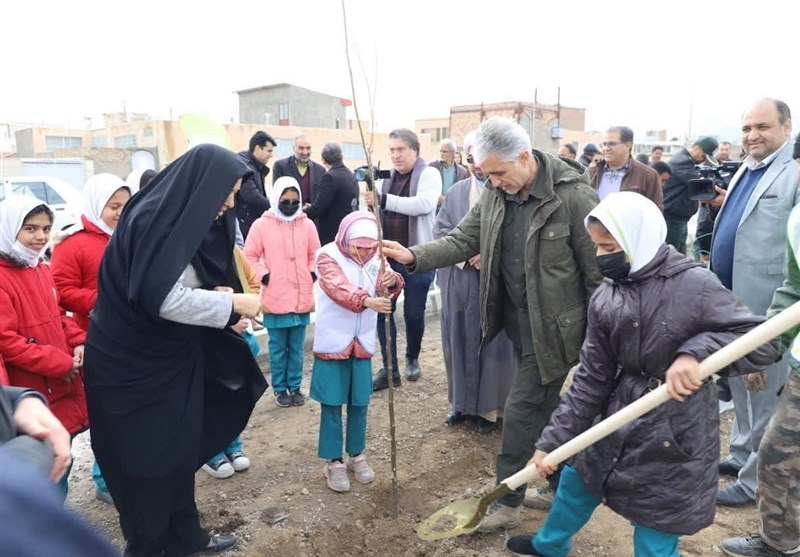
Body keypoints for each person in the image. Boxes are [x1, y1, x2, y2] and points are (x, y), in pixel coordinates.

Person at [505, 191, 779, 557]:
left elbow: (761, 343)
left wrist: (694, 354)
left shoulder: (695, 285)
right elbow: (591, 377)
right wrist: (552, 441)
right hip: (619, 409)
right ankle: (549, 546)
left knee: (657, 522)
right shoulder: (607, 296)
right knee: (578, 480)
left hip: (675, 423)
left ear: (640, 239)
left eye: (609, 246)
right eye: (597, 247)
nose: (601, 257)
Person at [379, 117, 602, 530]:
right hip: (518, 324)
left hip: (556, 331)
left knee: (520, 411)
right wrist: (413, 257)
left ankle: (506, 501)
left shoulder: (573, 199)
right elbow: (463, 239)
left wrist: (602, 338)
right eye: (486, 175)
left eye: (499, 172)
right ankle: (565, 487)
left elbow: (598, 272)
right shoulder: (497, 195)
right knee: (548, 408)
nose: (494, 182)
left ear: (524, 156)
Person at [84, 144, 267, 556]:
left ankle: (187, 538)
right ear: (200, 186)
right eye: (226, 193)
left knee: (178, 452)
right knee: (148, 466)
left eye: (235, 194)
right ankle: (150, 547)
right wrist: (233, 303)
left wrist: (213, 294)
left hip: (168, 360)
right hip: (129, 370)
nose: (229, 204)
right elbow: (162, 298)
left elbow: (178, 284)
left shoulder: (185, 217)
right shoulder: (155, 222)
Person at [710, 98, 798, 507]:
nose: (752, 136)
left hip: (770, 306)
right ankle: (741, 453)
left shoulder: (793, 173)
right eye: (746, 128)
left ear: (786, 126)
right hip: (731, 301)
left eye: (762, 127)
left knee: (762, 390)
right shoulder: (748, 166)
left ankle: (752, 482)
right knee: (738, 383)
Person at [720, 196, 800, 557]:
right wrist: (764, 353)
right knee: (778, 454)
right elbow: (793, 289)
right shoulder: (798, 219)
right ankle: (781, 541)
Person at [50, 173, 132, 504]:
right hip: (97, 337)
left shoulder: (131, 236)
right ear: (98, 204)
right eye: (114, 206)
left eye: (126, 205)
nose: (120, 212)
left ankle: (118, 473)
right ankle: (103, 479)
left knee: (126, 411)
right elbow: (61, 292)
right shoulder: (75, 244)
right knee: (104, 410)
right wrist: (104, 299)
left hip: (133, 338)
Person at [0, 196, 88, 499]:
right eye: (30, 228)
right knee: (43, 467)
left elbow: (58, 316)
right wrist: (59, 362)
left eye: (46, 229)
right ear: (9, 228)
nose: (40, 237)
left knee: (61, 457)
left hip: (58, 384)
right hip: (34, 388)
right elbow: (7, 342)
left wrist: (77, 341)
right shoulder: (2, 276)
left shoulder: (40, 268)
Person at [310, 211, 403, 492]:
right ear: (345, 238)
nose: (364, 251)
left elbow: (388, 287)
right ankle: (333, 460)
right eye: (358, 245)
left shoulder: (377, 257)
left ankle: (356, 453)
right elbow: (337, 287)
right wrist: (368, 302)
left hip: (362, 342)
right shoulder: (327, 255)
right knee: (332, 402)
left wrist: (393, 283)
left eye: (368, 245)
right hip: (333, 342)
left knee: (360, 401)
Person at [434, 132, 515, 434]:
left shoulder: (508, 190)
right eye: (470, 159)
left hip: (496, 284)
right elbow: (441, 230)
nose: (476, 166)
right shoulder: (456, 192)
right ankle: (462, 405)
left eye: (480, 160)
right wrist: (468, 255)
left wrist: (491, 254)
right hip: (460, 282)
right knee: (458, 340)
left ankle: (491, 410)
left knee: (495, 343)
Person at [369, 128, 441, 390]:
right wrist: (370, 201)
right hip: (387, 259)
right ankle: (390, 368)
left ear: (415, 150)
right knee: (383, 312)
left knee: (413, 313)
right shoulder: (384, 179)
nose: (395, 155)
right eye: (392, 150)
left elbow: (424, 204)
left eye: (401, 149)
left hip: (417, 257)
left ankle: (412, 357)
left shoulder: (428, 173)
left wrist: (384, 200)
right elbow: (370, 207)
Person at [244, 176, 320, 408]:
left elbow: (315, 254)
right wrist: (265, 275)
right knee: (277, 349)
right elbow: (249, 256)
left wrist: (311, 273)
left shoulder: (307, 225)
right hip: (275, 297)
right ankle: (279, 388)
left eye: (294, 201)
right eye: (285, 201)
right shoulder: (261, 225)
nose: (289, 205)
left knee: (297, 349)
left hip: (300, 297)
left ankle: (295, 386)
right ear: (276, 199)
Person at [200, 247, 262, 480]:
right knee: (209, 397)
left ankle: (233, 445)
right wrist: (227, 319)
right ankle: (211, 452)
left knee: (234, 393)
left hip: (236, 336)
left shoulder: (233, 251)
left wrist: (243, 313)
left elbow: (252, 283)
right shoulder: (187, 249)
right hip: (207, 338)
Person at [662, 136, 718, 254]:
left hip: (680, 219)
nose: (704, 161)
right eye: (704, 156)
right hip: (672, 219)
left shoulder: (689, 162)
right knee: (673, 256)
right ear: (696, 148)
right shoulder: (681, 161)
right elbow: (699, 184)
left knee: (679, 254)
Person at [588, 126, 663, 210]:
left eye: (612, 144)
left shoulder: (648, 176)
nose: (606, 148)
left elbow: (655, 213)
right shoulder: (592, 172)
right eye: (604, 144)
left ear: (628, 145)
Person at [304, 142, 359, 245]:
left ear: (323, 160)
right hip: (349, 231)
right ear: (342, 157)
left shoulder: (329, 177)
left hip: (333, 235)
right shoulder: (351, 175)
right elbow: (340, 203)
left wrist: (302, 212)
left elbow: (318, 209)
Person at [236, 130, 276, 239]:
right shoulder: (244, 165)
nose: (271, 155)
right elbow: (251, 195)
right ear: (258, 149)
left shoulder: (257, 167)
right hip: (243, 225)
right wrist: (275, 208)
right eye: (269, 151)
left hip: (251, 223)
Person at [272, 134, 326, 208]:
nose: (305, 152)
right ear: (293, 148)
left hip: (311, 217)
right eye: (301, 148)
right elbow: (277, 195)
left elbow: (322, 198)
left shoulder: (320, 170)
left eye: (308, 148)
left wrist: (312, 207)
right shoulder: (280, 166)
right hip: (288, 214)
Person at [429, 138, 469, 202]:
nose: (442, 154)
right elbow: (427, 189)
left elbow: (464, 193)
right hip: (435, 207)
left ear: (453, 153)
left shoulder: (462, 171)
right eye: (441, 151)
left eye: (445, 151)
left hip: (453, 207)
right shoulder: (432, 166)